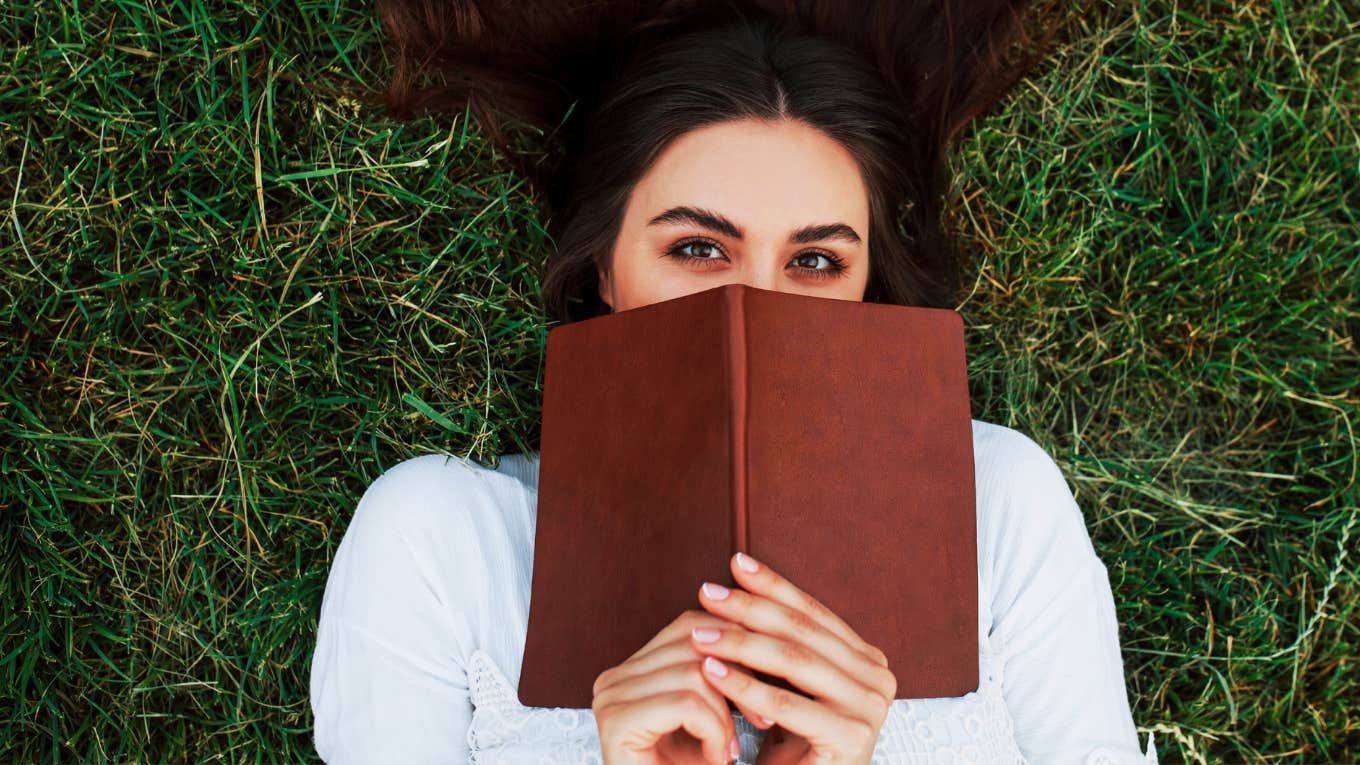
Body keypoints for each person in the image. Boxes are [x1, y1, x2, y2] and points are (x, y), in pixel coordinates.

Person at [310, 1, 1160, 762]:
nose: (753, 307)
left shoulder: (998, 508)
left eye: (817, 260)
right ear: (604, 265)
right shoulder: (440, 546)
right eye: (697, 249)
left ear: (868, 289)